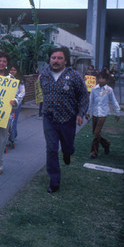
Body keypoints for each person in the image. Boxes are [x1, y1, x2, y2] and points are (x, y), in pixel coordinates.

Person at [39, 47, 89, 193]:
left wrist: (81, 113)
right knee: (52, 149)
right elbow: (41, 92)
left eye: (59, 58)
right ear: (50, 59)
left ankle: (67, 152)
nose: (56, 61)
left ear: (65, 61)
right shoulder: (44, 75)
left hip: (68, 119)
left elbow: (84, 96)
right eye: (53, 58)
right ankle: (54, 181)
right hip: (49, 118)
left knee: (68, 146)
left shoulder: (74, 75)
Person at [85, 72, 120, 159]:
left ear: (106, 80)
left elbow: (114, 101)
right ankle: (106, 144)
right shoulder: (94, 89)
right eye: (99, 78)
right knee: (95, 132)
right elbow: (90, 101)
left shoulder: (109, 90)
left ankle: (94, 152)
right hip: (95, 113)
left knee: (96, 133)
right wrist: (87, 112)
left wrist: (117, 112)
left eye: (103, 78)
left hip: (103, 113)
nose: (101, 80)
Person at [7, 63, 25, 149]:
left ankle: (12, 138)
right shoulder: (6, 78)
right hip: (6, 103)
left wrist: (16, 100)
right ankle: (12, 134)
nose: (12, 71)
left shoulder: (20, 80)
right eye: (11, 70)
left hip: (16, 104)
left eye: (14, 70)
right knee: (7, 121)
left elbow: (22, 92)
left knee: (13, 120)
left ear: (17, 71)